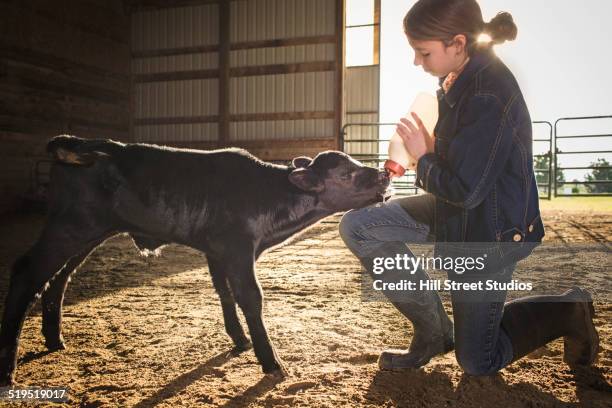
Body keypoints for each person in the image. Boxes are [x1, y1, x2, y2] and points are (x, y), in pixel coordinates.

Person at [339, 0, 599, 376]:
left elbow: (466, 189)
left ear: (458, 44)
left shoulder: (487, 92)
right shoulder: (456, 78)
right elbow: (462, 168)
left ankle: (569, 310)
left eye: (423, 52)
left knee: (478, 359)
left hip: (490, 230)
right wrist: (424, 150)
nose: (416, 61)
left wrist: (424, 157)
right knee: (359, 226)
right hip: (456, 211)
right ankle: (433, 334)